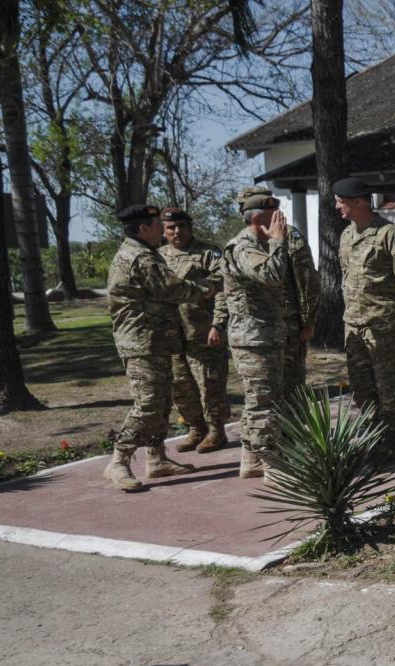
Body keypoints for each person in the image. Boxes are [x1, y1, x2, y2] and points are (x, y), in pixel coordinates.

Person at [102, 204, 211, 492]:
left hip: (155, 340)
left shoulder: (142, 253)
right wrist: (209, 287)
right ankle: (118, 461)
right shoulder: (140, 257)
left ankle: (156, 458)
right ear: (143, 229)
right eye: (157, 224)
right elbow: (173, 290)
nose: (163, 230)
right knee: (148, 405)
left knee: (162, 403)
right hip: (142, 343)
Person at [334, 177, 395, 462]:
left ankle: (388, 442)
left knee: (387, 386)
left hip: (382, 324)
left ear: (360, 202)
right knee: (362, 389)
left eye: (341, 202)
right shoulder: (346, 235)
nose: (337, 207)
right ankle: (373, 436)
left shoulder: (389, 234)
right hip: (354, 324)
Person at [220, 192, 290, 481]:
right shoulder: (244, 247)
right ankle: (271, 463)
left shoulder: (256, 245)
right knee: (264, 403)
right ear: (260, 218)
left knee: (258, 400)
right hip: (254, 339)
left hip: (263, 336)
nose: (282, 221)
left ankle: (250, 458)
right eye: (276, 215)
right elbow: (272, 274)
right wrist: (278, 241)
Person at [158, 207, 230, 453]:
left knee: (211, 384)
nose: (177, 231)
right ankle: (195, 428)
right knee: (181, 386)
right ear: (164, 231)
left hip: (203, 333)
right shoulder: (157, 257)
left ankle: (217, 431)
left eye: (181, 226)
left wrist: (218, 324)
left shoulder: (207, 254)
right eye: (171, 227)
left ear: (190, 228)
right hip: (172, 335)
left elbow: (223, 290)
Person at [235, 186, 319, 396]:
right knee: (265, 392)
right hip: (261, 330)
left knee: (292, 388)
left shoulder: (290, 235)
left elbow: (307, 279)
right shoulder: (245, 241)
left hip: (290, 325)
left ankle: (293, 429)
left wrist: (308, 321)